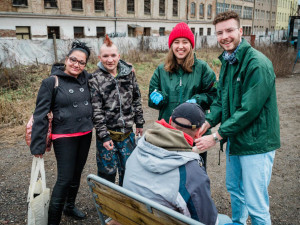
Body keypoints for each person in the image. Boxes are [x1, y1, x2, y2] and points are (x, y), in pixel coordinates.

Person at [195, 11, 280, 225]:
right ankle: (238, 223)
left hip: (257, 143)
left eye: (230, 30)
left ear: (241, 31)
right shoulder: (228, 62)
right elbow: (221, 101)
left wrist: (215, 137)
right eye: (220, 32)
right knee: (235, 189)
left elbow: (248, 110)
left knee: (257, 203)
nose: (225, 36)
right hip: (236, 140)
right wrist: (207, 122)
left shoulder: (257, 64)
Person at [123, 103, 218, 225]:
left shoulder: (140, 145)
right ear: (199, 132)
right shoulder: (191, 171)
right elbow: (208, 221)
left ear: (169, 121)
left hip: (128, 217)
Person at [30, 40, 93, 224]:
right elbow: (40, 115)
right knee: (64, 179)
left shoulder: (87, 78)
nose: (76, 65)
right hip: (64, 136)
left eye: (81, 62)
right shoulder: (51, 82)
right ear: (66, 59)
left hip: (85, 133)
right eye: (73, 60)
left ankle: (70, 206)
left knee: (76, 174)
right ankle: (53, 220)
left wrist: (127, 69)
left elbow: (107, 75)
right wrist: (38, 145)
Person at [148, 22, 217, 169]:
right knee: (169, 171)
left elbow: (214, 94)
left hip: (194, 131)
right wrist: (159, 98)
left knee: (195, 171)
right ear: (171, 45)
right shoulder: (161, 70)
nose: (180, 46)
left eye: (185, 42)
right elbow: (151, 96)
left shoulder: (202, 68)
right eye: (176, 42)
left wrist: (198, 100)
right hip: (168, 132)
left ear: (191, 45)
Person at [89, 35, 144, 186]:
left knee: (129, 171)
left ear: (119, 56)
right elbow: (96, 110)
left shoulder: (128, 74)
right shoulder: (95, 79)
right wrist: (104, 136)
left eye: (113, 55)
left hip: (127, 135)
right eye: (105, 56)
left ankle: (125, 203)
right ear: (100, 57)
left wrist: (139, 122)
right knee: (108, 173)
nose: (110, 60)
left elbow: (136, 99)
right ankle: (107, 203)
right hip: (107, 137)